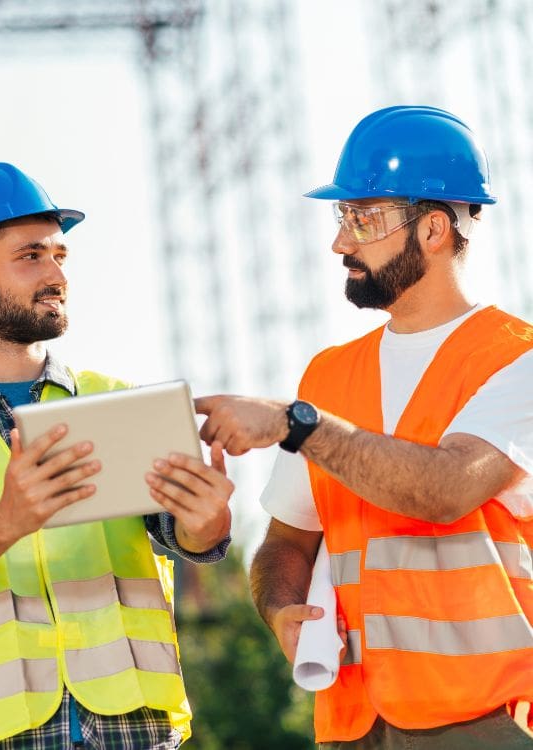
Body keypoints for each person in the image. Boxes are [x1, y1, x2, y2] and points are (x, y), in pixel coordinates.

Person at [193, 106, 533, 747]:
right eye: (341, 217)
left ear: (434, 228)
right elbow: (285, 545)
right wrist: (282, 610)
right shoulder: (328, 378)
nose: (341, 242)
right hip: (354, 722)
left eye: (364, 217)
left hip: (484, 719)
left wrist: (298, 426)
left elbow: (446, 488)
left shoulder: (517, 359)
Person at [0, 162, 233, 749]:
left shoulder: (116, 402)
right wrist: (7, 520)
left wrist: (206, 518)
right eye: (31, 256)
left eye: (60, 256)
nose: (55, 273)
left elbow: (185, 536)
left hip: (132, 731)